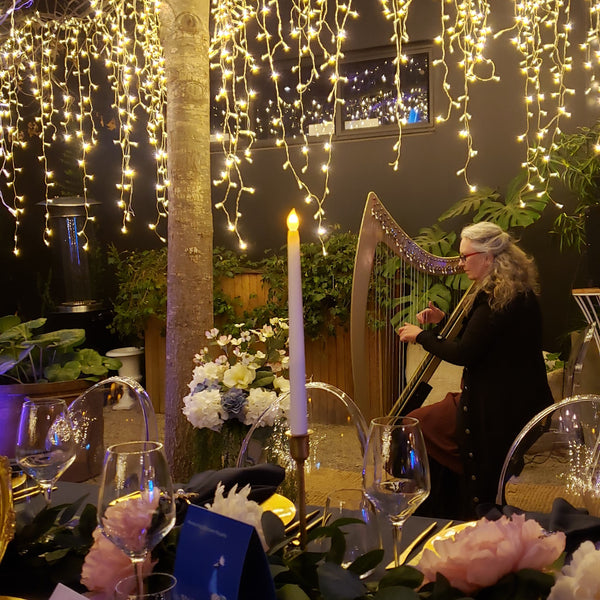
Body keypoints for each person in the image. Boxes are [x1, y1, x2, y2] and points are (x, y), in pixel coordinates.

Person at [397, 221, 554, 519]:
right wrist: (443, 321)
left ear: (488, 257)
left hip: (497, 408)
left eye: (465, 257)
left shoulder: (496, 299)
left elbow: (464, 353)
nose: (460, 264)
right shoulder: (511, 292)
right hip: (511, 397)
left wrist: (422, 336)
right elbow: (482, 341)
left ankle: (437, 506)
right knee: (420, 422)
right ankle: (445, 502)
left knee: (412, 424)